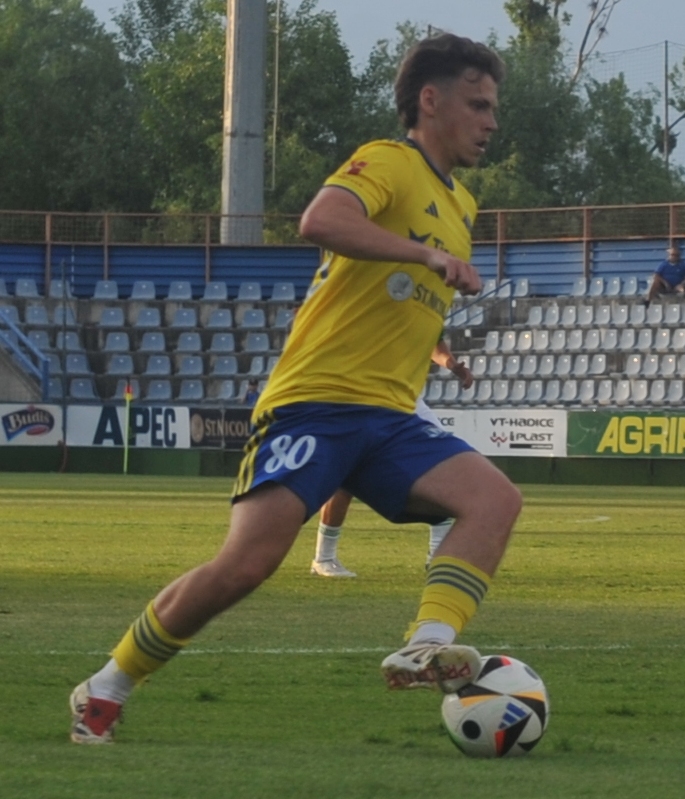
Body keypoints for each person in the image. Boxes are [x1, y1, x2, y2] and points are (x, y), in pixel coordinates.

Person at [69, 34, 522, 745]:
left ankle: (427, 644)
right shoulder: (390, 161)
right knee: (244, 566)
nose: (491, 121)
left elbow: (398, 297)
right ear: (431, 101)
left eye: (493, 107)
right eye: (479, 104)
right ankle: (107, 685)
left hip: (389, 416)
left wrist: (438, 346)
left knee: (495, 498)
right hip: (314, 402)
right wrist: (426, 253)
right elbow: (321, 219)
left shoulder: (461, 202)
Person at [311, 341, 476, 578]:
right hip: (364, 399)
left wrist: (452, 365)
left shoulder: (424, 315)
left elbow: (434, 345)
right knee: (344, 480)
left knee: (449, 467)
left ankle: (437, 556)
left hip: (408, 399)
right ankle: (324, 558)